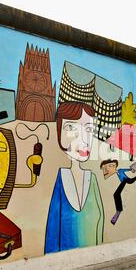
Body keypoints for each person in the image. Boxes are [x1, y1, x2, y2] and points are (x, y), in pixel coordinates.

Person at [44, 103, 104, 254]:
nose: (84, 140)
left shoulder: (92, 179)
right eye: (71, 128)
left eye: (89, 130)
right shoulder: (61, 178)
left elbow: (100, 221)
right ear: (59, 133)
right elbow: (53, 226)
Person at [100, 159, 136, 225]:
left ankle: (119, 210)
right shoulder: (116, 172)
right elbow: (112, 174)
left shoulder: (120, 170)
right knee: (116, 194)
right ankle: (118, 211)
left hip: (127, 180)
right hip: (124, 181)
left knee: (116, 194)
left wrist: (131, 169)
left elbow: (126, 170)